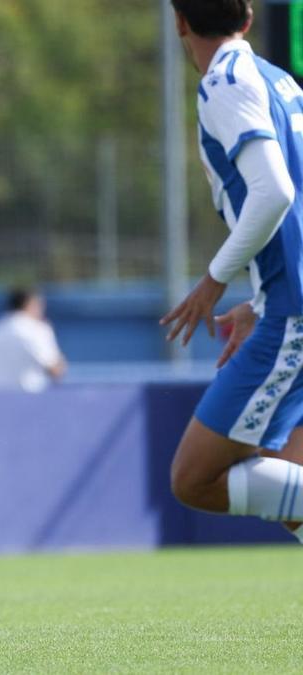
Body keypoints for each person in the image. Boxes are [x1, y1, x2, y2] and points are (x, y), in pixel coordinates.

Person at [161, 0, 303, 541]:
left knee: (195, 478)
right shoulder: (280, 82)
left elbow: (274, 193)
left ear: (179, 22)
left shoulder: (224, 83)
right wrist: (259, 301)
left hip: (293, 313)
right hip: (285, 303)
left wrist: (215, 279)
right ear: (247, 17)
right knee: (281, 473)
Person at [0, 287, 67, 392]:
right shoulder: (37, 330)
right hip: (31, 402)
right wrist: (50, 336)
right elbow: (56, 371)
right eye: (39, 306)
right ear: (30, 305)